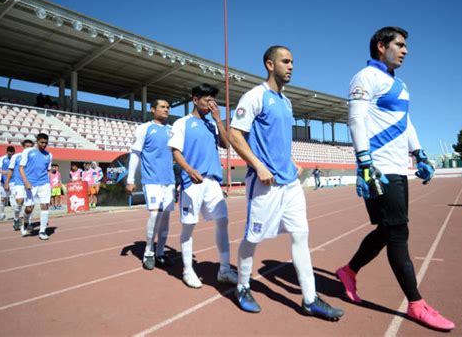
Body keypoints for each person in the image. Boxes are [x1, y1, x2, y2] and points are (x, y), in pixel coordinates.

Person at [336, 26, 454, 331]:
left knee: (389, 230)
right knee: (398, 233)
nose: (405, 50)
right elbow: (356, 118)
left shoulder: (399, 83)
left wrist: (420, 153)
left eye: (405, 46)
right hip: (379, 168)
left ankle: (348, 271)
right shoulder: (365, 78)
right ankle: (416, 303)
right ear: (380, 46)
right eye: (399, 45)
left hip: (398, 168)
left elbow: (407, 121)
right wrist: (364, 162)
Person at [229, 46, 343, 320]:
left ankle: (310, 299)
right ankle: (242, 286)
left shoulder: (287, 101)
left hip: (290, 183)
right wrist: (258, 165)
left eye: (293, 61)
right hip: (264, 184)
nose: (291, 66)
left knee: (300, 235)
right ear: (270, 64)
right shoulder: (255, 96)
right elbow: (234, 134)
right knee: (252, 238)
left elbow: (277, 139)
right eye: (286, 61)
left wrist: (290, 160)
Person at [168, 83, 237, 289]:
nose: (210, 104)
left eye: (213, 100)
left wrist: (218, 119)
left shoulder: (212, 124)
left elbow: (226, 144)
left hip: (212, 181)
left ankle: (224, 269)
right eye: (207, 100)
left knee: (223, 221)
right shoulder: (182, 123)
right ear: (195, 100)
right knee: (189, 226)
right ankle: (188, 270)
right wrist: (189, 170)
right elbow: (175, 152)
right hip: (192, 182)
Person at [126, 99, 176, 270]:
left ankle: (160, 252)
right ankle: (148, 252)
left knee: (166, 217)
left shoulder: (172, 130)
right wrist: (130, 179)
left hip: (169, 180)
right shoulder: (144, 128)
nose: (166, 109)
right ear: (153, 110)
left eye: (168, 107)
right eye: (163, 107)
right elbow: (135, 154)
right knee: (155, 215)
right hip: (151, 180)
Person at [19, 133, 52, 240]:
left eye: (46, 143)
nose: (44, 145)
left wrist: (48, 183)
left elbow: (48, 170)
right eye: (42, 142)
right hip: (31, 183)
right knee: (29, 208)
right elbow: (21, 168)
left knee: (45, 206)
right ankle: (25, 222)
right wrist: (26, 182)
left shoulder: (49, 155)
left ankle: (42, 231)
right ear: (37, 141)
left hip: (44, 183)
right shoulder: (28, 151)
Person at [4, 139, 34, 231]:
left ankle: (27, 222)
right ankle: (16, 219)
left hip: (31, 183)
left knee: (30, 205)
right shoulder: (16, 157)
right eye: (26, 146)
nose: (28, 148)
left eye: (30, 146)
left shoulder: (34, 157)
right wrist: (7, 182)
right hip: (19, 183)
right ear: (23, 146)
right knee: (19, 202)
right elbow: (10, 169)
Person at [0, 146, 16, 222]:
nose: (10, 156)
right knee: (3, 199)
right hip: (3, 181)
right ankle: (2, 214)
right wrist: (3, 172)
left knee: (14, 199)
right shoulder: (2, 159)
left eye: (12, 154)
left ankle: (16, 217)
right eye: (9, 154)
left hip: (13, 182)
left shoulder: (16, 159)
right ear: (7, 152)